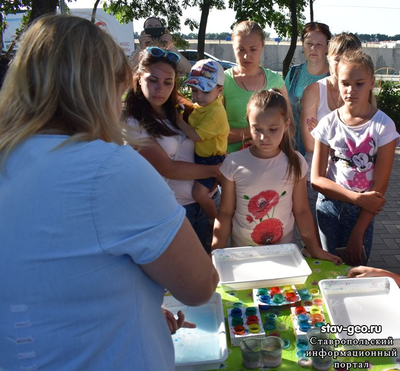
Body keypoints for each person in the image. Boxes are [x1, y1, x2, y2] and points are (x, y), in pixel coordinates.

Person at [0, 15, 219, 371]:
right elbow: (199, 286)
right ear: (96, 88)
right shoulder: (109, 168)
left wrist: (129, 301)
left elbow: (49, 276)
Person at [211, 89, 341, 264]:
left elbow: (301, 211)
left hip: (284, 254)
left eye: (273, 129)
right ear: (248, 124)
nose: (264, 137)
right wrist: (215, 251)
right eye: (257, 129)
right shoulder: (234, 163)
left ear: (286, 125)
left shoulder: (295, 162)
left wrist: (315, 249)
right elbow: (225, 212)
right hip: (242, 256)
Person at [126, 46, 221, 254]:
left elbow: (213, 134)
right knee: (181, 278)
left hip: (207, 201)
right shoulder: (132, 122)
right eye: (153, 80)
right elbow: (168, 168)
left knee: (210, 271)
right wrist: (216, 170)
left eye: (168, 82)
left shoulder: (182, 109)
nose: (160, 88)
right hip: (173, 210)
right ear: (139, 77)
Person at [311, 49, 399, 266]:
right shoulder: (328, 123)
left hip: (362, 214)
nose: (351, 90)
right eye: (345, 83)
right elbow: (316, 179)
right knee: (329, 268)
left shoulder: (383, 126)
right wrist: (355, 197)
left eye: (359, 83)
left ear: (372, 82)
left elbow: (379, 188)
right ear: (337, 83)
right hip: (328, 208)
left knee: (356, 271)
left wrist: (358, 232)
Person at [300, 33, 364, 222]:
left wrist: (324, 133)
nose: (343, 65)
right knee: (316, 244)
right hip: (317, 180)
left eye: (349, 59)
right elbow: (309, 144)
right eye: (337, 59)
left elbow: (369, 144)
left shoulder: (365, 96)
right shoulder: (314, 91)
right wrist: (349, 139)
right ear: (328, 57)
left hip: (353, 181)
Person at [223, 20, 295, 153]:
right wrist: (254, 134)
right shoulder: (223, 81)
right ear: (233, 47)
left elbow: (289, 128)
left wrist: (264, 141)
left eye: (253, 49)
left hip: (269, 161)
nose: (246, 55)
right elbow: (213, 132)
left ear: (262, 46)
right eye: (241, 49)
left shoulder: (275, 81)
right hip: (230, 162)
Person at [177, 59, 229, 221]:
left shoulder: (215, 112)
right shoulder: (204, 106)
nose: (198, 96)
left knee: (198, 194)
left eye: (205, 92)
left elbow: (196, 135)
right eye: (194, 90)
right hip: (203, 156)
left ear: (219, 90)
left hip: (211, 160)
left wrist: (178, 119)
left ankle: (216, 220)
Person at [285, 21, 331, 155]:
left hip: (322, 151)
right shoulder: (293, 73)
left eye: (319, 45)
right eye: (309, 44)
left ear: (327, 47)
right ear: (303, 45)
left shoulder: (335, 77)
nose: (313, 48)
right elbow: (283, 108)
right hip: (291, 150)